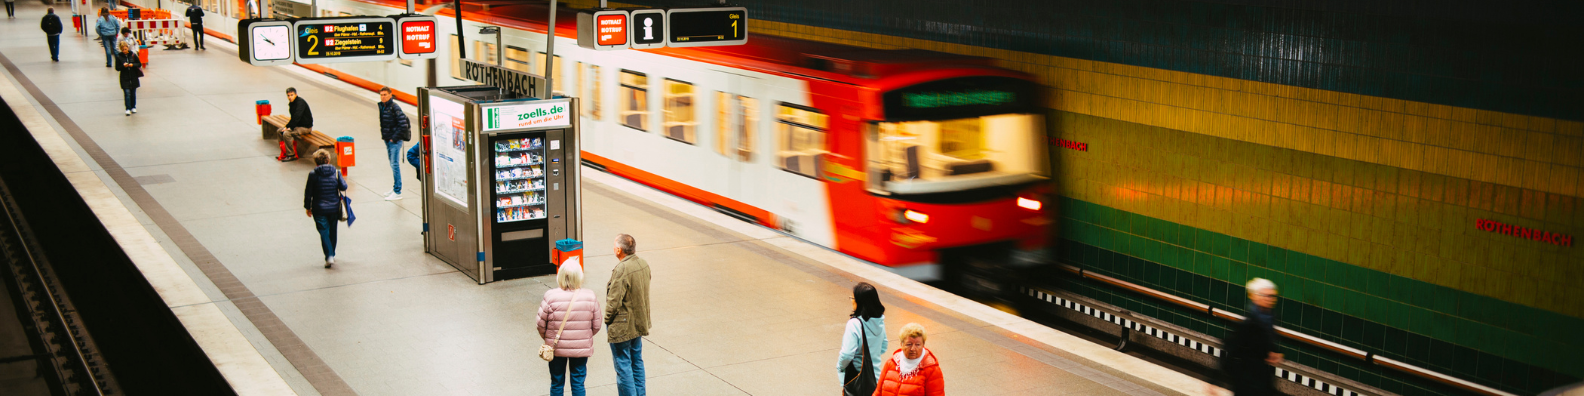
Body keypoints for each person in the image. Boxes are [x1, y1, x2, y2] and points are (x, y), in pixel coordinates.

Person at [537, 259, 602, 396]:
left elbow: (540, 324)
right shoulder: (590, 296)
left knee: (556, 382)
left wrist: (549, 337)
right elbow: (596, 325)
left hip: (556, 348)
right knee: (578, 382)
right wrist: (583, 336)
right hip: (580, 348)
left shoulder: (550, 296)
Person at [1216, 278, 1283, 396]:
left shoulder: (1270, 318)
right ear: (1255, 297)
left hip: (1261, 380)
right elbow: (1229, 349)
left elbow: (1266, 342)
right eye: (1266, 296)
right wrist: (1215, 380)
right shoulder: (1248, 323)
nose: (1270, 299)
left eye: (1272, 296)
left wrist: (1274, 352)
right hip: (1246, 382)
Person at [605, 233, 651, 396]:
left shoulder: (622, 269)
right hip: (638, 323)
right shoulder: (643, 264)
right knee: (636, 361)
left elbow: (614, 301)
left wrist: (607, 320)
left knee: (623, 365)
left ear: (618, 250)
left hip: (623, 326)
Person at [838, 282, 886, 394]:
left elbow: (846, 354)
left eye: (852, 298)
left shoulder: (854, 324)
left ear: (859, 301)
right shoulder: (880, 321)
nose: (851, 300)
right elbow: (883, 346)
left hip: (857, 380)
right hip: (876, 379)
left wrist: (840, 367)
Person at [873, 323, 944, 396]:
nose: (913, 349)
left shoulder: (932, 369)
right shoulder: (891, 363)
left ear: (923, 345)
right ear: (901, 344)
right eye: (909, 344)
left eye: (917, 345)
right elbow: (878, 392)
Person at [303, 149, 346, 268]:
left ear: (316, 162)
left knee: (323, 232)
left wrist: (308, 207)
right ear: (328, 160)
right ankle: (332, 253)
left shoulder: (313, 175)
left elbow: (308, 193)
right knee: (333, 231)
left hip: (319, 208)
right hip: (334, 207)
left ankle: (329, 255)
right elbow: (344, 187)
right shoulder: (336, 172)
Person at [377, 87, 411, 200]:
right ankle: (395, 188)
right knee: (392, 164)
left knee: (395, 165)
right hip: (388, 140)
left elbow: (403, 125)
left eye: (385, 95)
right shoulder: (383, 106)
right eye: (381, 95)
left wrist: (393, 138)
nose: (383, 97)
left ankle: (397, 191)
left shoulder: (394, 107)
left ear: (391, 95)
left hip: (394, 141)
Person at [278, 87, 314, 161]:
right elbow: (293, 118)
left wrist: (289, 127)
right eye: (288, 95)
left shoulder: (300, 103)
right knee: (279, 131)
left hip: (305, 127)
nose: (290, 97)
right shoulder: (292, 103)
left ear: (296, 94)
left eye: (292, 95)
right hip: (298, 126)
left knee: (286, 134)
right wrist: (287, 126)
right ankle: (284, 152)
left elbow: (297, 116)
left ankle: (291, 155)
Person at [114, 42, 142, 116]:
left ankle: (133, 107)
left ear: (128, 48)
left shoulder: (133, 55)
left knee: (133, 93)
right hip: (124, 77)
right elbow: (117, 68)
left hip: (133, 77)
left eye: (125, 49)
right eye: (123, 50)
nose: (124, 51)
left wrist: (132, 65)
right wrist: (123, 66)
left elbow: (139, 64)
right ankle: (127, 108)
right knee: (127, 93)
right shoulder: (119, 57)